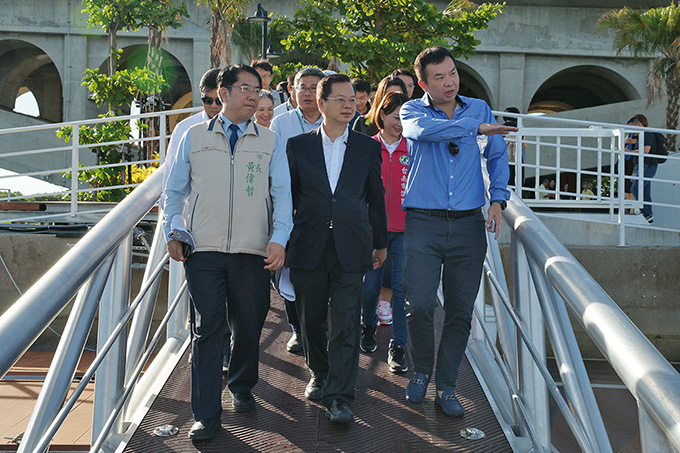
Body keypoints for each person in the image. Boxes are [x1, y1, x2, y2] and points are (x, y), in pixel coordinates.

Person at [163, 64, 292, 440]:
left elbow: (283, 194)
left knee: (249, 325)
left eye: (257, 89)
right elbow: (174, 192)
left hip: (253, 251)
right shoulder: (192, 136)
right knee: (207, 329)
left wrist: (279, 238)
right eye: (246, 89)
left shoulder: (270, 141)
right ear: (223, 93)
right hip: (202, 251)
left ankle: (241, 383)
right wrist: (174, 229)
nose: (254, 96)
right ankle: (206, 414)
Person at [400, 46, 515, 417]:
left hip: (468, 224)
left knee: (461, 310)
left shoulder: (478, 107)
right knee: (418, 304)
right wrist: (474, 128)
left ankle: (446, 386)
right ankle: (420, 371)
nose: (450, 82)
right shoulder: (412, 110)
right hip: (422, 222)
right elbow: (425, 133)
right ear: (423, 83)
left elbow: (497, 155)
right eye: (439, 77)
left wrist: (498, 199)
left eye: (452, 73)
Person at [286, 73, 388, 424]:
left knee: (346, 323)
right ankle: (319, 371)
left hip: (352, 245)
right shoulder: (298, 146)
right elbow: (288, 199)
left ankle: (340, 397)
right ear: (322, 101)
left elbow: (376, 197)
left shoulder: (367, 147)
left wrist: (381, 243)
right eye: (341, 100)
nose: (349, 105)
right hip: (308, 245)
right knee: (310, 319)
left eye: (352, 100)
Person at [270, 66, 326, 353]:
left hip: (327, 211)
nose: (307, 92)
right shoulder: (281, 123)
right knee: (289, 274)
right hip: (292, 207)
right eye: (301, 87)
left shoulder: (338, 119)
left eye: (313, 87)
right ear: (291, 90)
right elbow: (276, 167)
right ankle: (297, 330)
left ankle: (318, 329)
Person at [359, 91, 411, 376]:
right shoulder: (367, 148)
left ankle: (398, 345)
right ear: (381, 115)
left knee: (401, 289)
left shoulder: (413, 149)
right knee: (370, 287)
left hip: (404, 231)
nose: (399, 124)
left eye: (404, 118)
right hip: (372, 231)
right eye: (395, 117)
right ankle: (368, 325)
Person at [628, 114, 657, 223]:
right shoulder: (639, 136)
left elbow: (645, 150)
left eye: (632, 127)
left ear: (639, 124)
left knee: (636, 188)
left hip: (647, 165)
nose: (631, 131)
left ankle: (647, 213)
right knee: (645, 191)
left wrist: (629, 151)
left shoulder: (647, 133)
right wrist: (634, 171)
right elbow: (637, 156)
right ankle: (648, 215)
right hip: (640, 166)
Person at [503, 107, 526, 189]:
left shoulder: (501, 127)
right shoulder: (520, 127)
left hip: (504, 156)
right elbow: (524, 145)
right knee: (517, 178)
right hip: (517, 156)